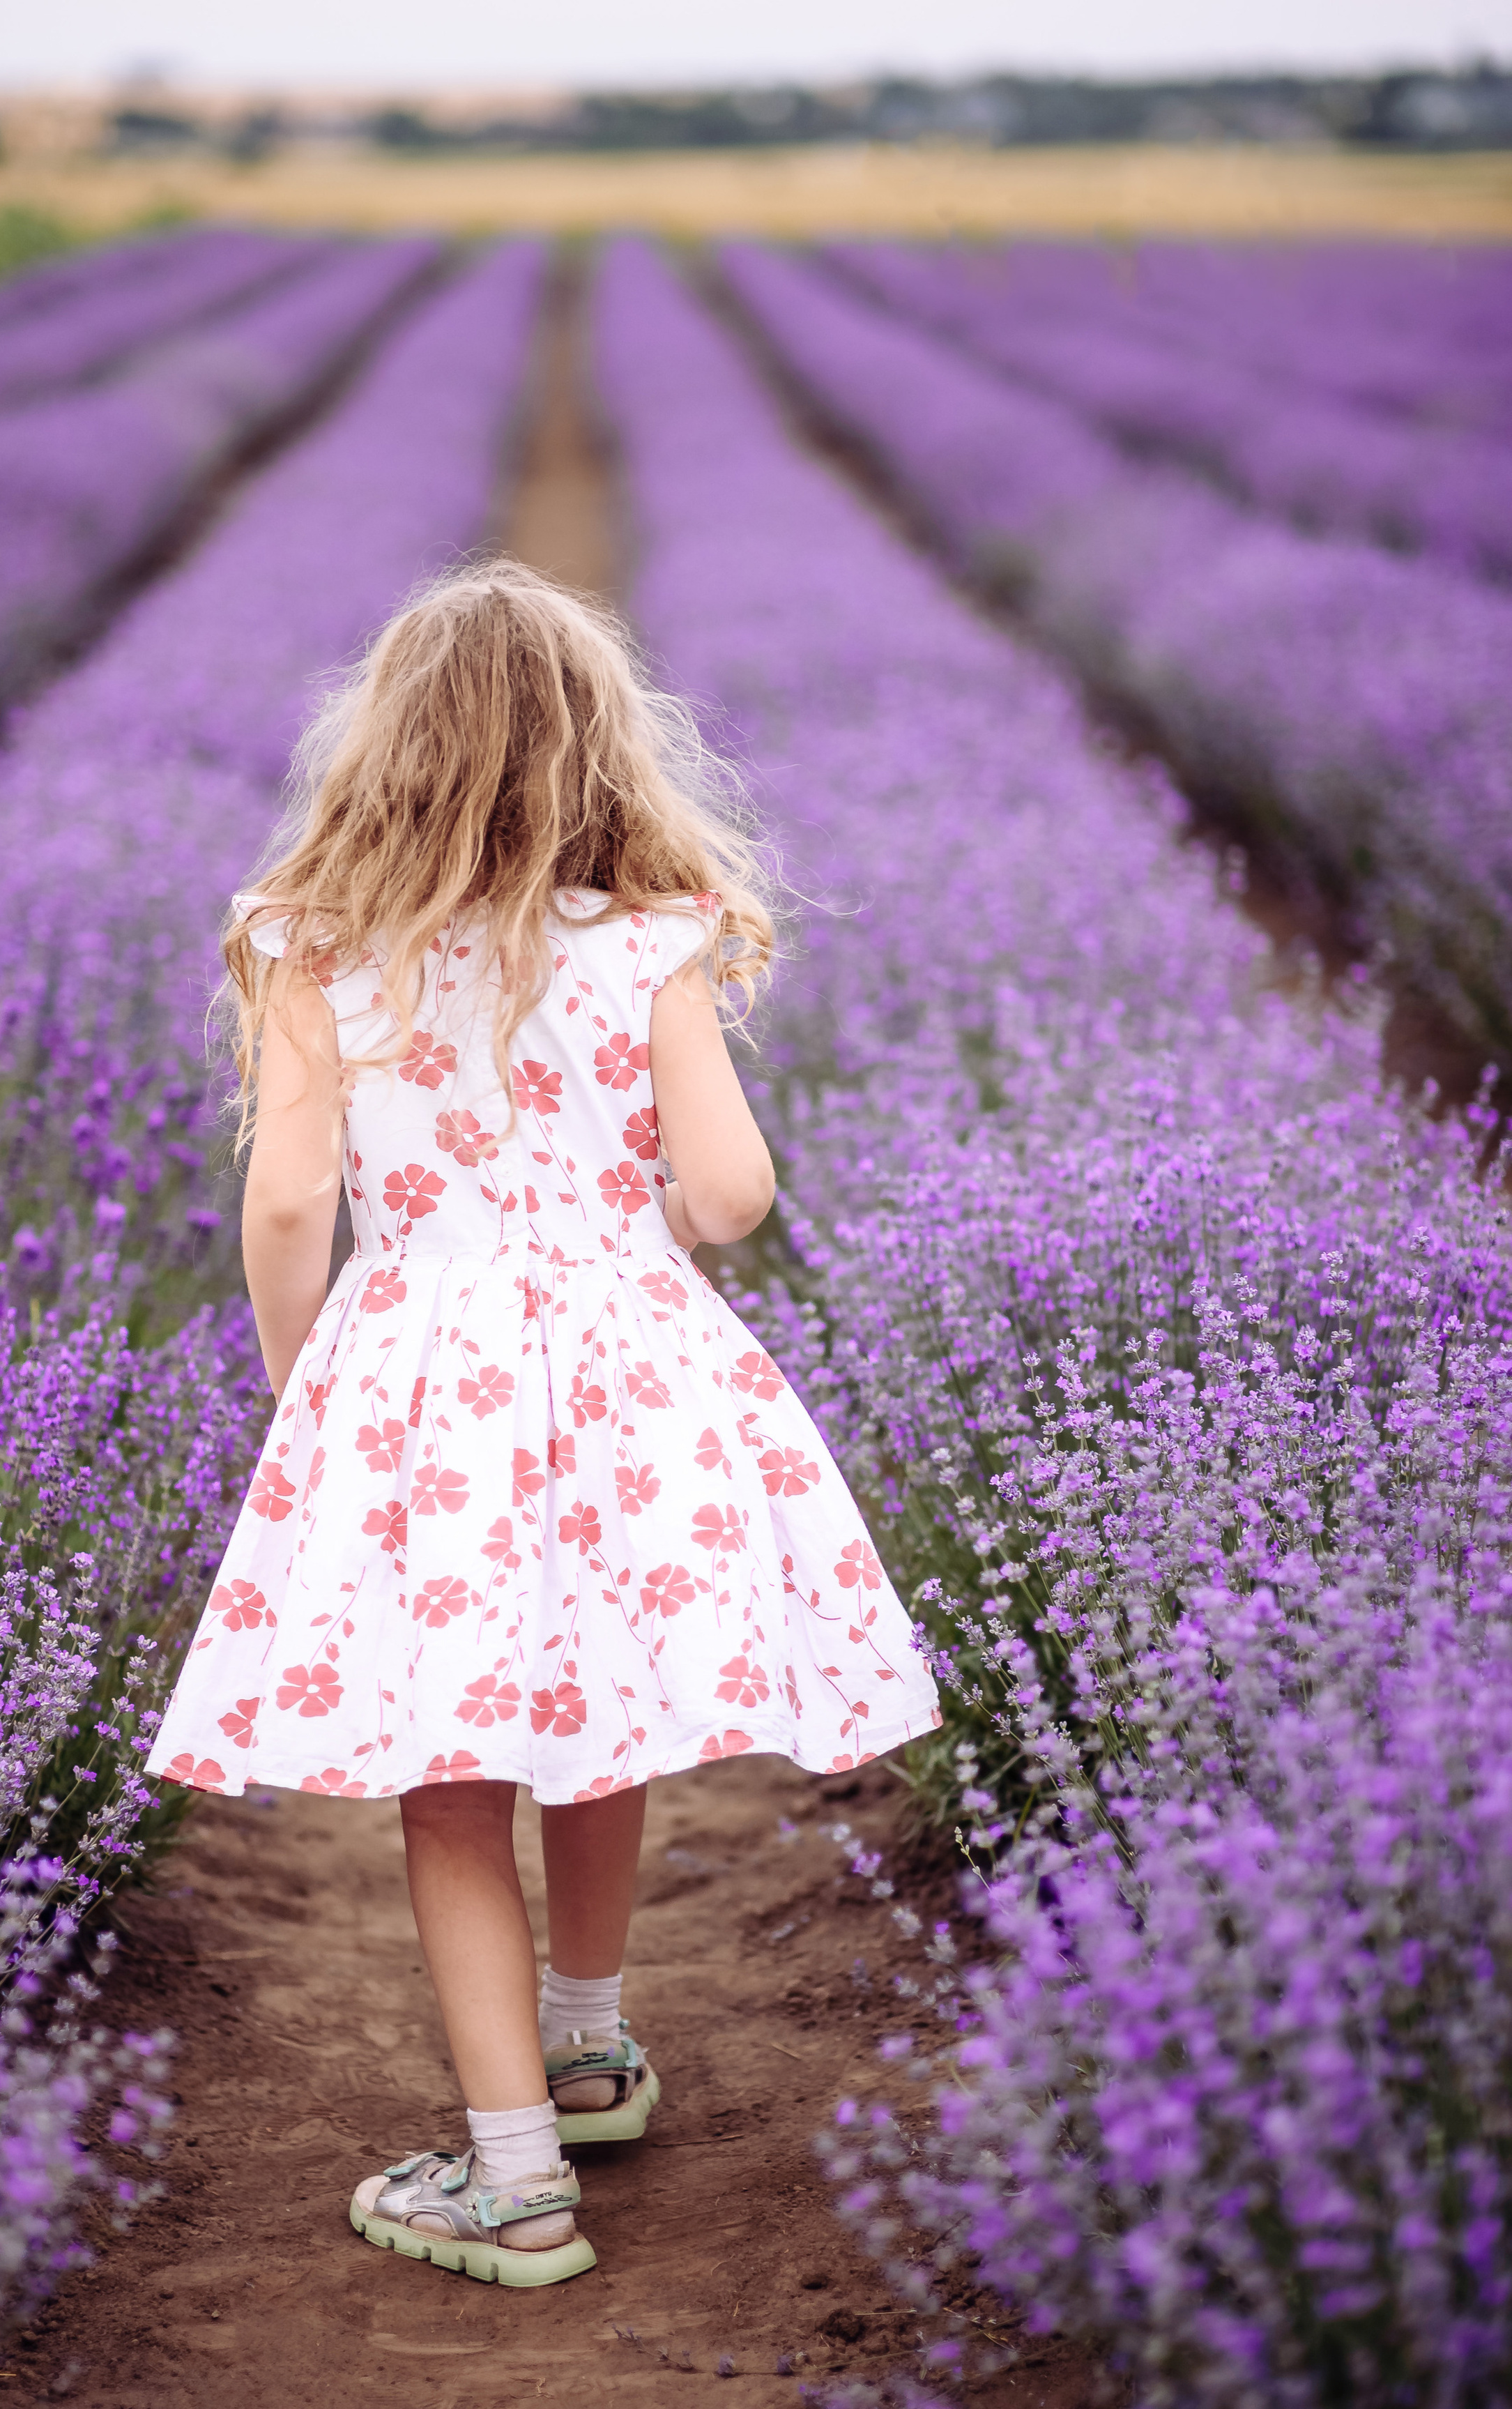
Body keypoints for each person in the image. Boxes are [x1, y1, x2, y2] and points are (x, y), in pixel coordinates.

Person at [148, 561, 940, 2288]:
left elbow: (288, 1205)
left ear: (387, 751)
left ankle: (512, 2174)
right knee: (598, 1702)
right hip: (623, 1357)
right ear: (598, 756)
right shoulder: (650, 939)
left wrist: (304, 1379)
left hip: (419, 1367)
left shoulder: (312, 941)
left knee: (451, 1785)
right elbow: (729, 1195)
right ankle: (585, 2044)